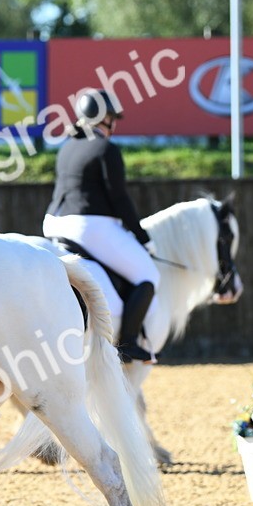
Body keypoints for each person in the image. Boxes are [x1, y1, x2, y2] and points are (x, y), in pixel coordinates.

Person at [43, 89, 158, 363]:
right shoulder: (107, 148)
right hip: (89, 226)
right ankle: (128, 343)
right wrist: (143, 238)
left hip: (53, 224)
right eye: (112, 118)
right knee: (149, 275)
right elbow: (119, 199)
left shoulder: (66, 148)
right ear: (105, 119)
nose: (114, 124)